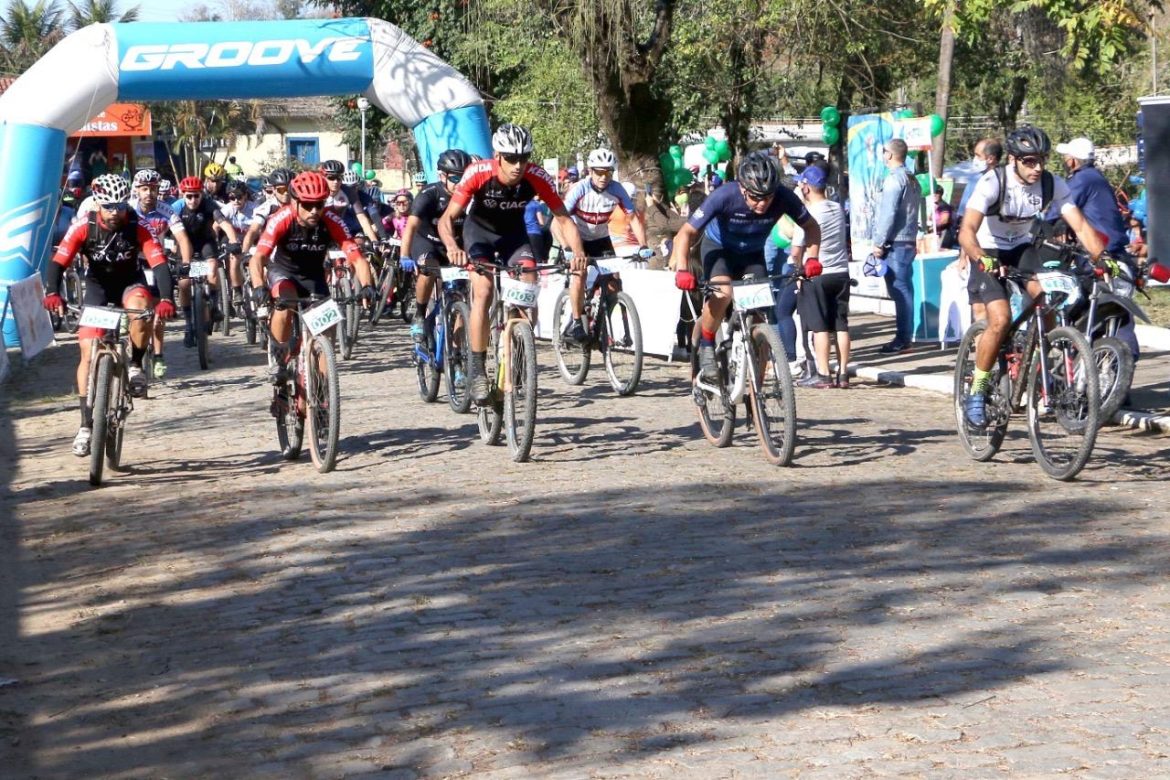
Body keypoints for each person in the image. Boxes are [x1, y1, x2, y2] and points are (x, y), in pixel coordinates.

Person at [958, 125, 1106, 427]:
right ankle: (978, 388)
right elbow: (966, 231)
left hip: (1022, 247)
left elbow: (1078, 226)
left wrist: (1103, 258)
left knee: (1046, 298)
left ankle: (1036, 355)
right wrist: (981, 258)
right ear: (1013, 159)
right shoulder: (992, 182)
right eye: (1029, 161)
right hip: (988, 250)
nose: (1037, 168)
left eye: (1041, 160)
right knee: (998, 319)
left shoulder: (1052, 184)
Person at [437, 123, 588, 402]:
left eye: (524, 157)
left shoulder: (535, 176)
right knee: (483, 291)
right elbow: (447, 219)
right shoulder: (478, 173)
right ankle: (478, 368)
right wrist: (451, 246)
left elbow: (564, 218)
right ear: (498, 155)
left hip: (513, 237)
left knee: (529, 283)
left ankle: (519, 346)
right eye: (511, 158)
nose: (518, 165)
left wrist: (578, 253)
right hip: (479, 235)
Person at [41, 174, 177, 455]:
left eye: (119, 206)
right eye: (108, 207)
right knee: (88, 353)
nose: (115, 212)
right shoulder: (83, 226)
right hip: (98, 288)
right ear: (97, 204)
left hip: (130, 283)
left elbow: (159, 263)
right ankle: (85, 425)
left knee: (141, 308)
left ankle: (137, 365)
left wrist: (166, 298)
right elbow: (59, 262)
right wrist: (52, 291)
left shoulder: (138, 226)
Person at [668, 151, 822, 380]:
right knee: (724, 293)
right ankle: (707, 343)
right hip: (718, 249)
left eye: (767, 197)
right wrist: (682, 269)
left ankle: (755, 393)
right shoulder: (724, 195)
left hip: (751, 255)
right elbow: (686, 233)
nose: (762, 203)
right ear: (742, 189)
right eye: (755, 197)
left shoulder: (783, 197)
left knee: (762, 320)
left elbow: (812, 227)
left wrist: (812, 258)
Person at [249, 171, 375, 388]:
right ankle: (279, 360)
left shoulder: (331, 219)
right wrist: (259, 286)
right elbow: (258, 258)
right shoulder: (281, 218)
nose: (315, 211)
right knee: (285, 304)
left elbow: (356, 257)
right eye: (308, 205)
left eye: (319, 204)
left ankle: (323, 389)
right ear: (294, 201)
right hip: (283, 272)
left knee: (327, 328)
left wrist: (367, 286)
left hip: (314, 276)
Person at [1056, 136, 1139, 360]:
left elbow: (1058, 209)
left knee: (1078, 305)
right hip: (1117, 253)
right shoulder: (1096, 177)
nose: (1065, 160)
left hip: (1097, 254)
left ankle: (1076, 358)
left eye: (1066, 157)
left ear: (1073, 161)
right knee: (1118, 311)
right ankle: (1120, 369)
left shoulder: (1081, 180)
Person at [556, 148, 650, 344]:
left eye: (607, 172)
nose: (603, 177)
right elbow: (559, 220)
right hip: (578, 238)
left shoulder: (617, 190)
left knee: (614, 282)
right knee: (580, 275)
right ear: (590, 171)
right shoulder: (579, 189)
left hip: (600, 239)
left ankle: (606, 324)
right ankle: (576, 322)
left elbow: (632, 218)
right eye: (599, 172)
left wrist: (643, 245)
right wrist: (566, 247)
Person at [398, 148, 473, 344]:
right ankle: (420, 314)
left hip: (454, 246)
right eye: (455, 179)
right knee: (428, 268)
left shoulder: (471, 197)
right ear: (442, 176)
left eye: (464, 178)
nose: (460, 184)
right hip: (427, 242)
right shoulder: (429, 194)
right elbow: (411, 226)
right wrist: (404, 255)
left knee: (461, 294)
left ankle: (458, 355)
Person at [791, 164, 851, 388]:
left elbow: (797, 249)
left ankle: (823, 374)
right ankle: (843, 373)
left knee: (820, 327)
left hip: (817, 273)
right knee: (842, 324)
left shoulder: (807, 215)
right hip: (841, 272)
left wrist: (796, 269)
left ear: (806, 188)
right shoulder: (837, 208)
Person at [130, 168, 194, 379]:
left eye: (153, 189)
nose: (149, 193)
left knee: (158, 314)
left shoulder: (166, 211)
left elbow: (182, 238)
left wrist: (185, 264)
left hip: (158, 262)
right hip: (134, 261)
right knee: (135, 311)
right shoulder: (129, 209)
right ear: (137, 190)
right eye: (144, 189)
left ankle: (158, 355)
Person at [173, 176, 242, 343]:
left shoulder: (209, 205)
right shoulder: (175, 208)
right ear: (183, 195)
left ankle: (214, 305)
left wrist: (234, 241)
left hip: (205, 243)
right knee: (184, 284)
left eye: (196, 195)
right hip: (184, 245)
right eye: (189, 196)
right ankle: (189, 325)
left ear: (202, 194)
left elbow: (224, 223)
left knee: (212, 270)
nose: (193, 200)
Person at [870, 138, 922, 354]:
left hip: (895, 241)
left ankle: (903, 338)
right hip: (908, 239)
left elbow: (888, 213)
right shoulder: (911, 178)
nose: (882, 156)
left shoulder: (894, 179)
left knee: (899, 290)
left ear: (890, 154)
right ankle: (905, 336)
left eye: (884, 152)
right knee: (904, 288)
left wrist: (878, 242)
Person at [242, 168, 294, 253]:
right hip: (272, 249)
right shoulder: (266, 208)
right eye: (281, 189)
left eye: (289, 189)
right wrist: (244, 253)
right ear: (273, 189)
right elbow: (253, 231)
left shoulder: (299, 205)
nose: (286, 193)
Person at [956, 138, 1003, 219]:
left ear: (990, 159)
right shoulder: (974, 179)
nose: (975, 159)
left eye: (978, 156)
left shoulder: (1006, 180)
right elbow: (963, 211)